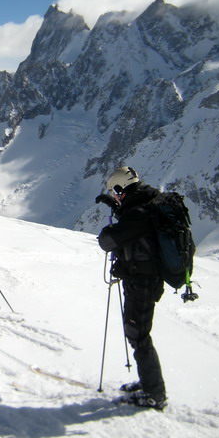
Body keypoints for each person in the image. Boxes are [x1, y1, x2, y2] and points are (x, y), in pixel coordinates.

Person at [96, 166, 168, 410]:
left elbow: (109, 241)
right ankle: (147, 382)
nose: (114, 196)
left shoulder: (138, 213)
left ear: (121, 189)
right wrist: (116, 207)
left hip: (143, 283)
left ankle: (154, 394)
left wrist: (109, 230)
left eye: (115, 193)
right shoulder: (144, 204)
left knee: (138, 333)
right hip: (142, 279)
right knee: (138, 332)